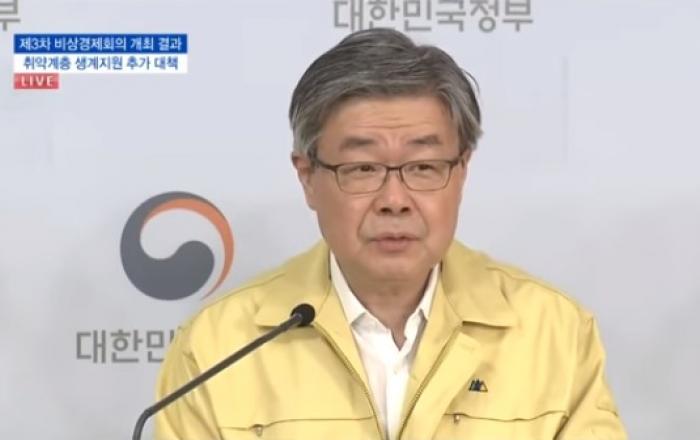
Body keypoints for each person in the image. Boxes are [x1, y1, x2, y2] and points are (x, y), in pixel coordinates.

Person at [155, 28, 627, 440]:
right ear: (308, 177)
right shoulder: (219, 346)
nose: (395, 199)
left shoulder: (552, 332)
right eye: (363, 168)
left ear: (461, 171)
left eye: (423, 166)